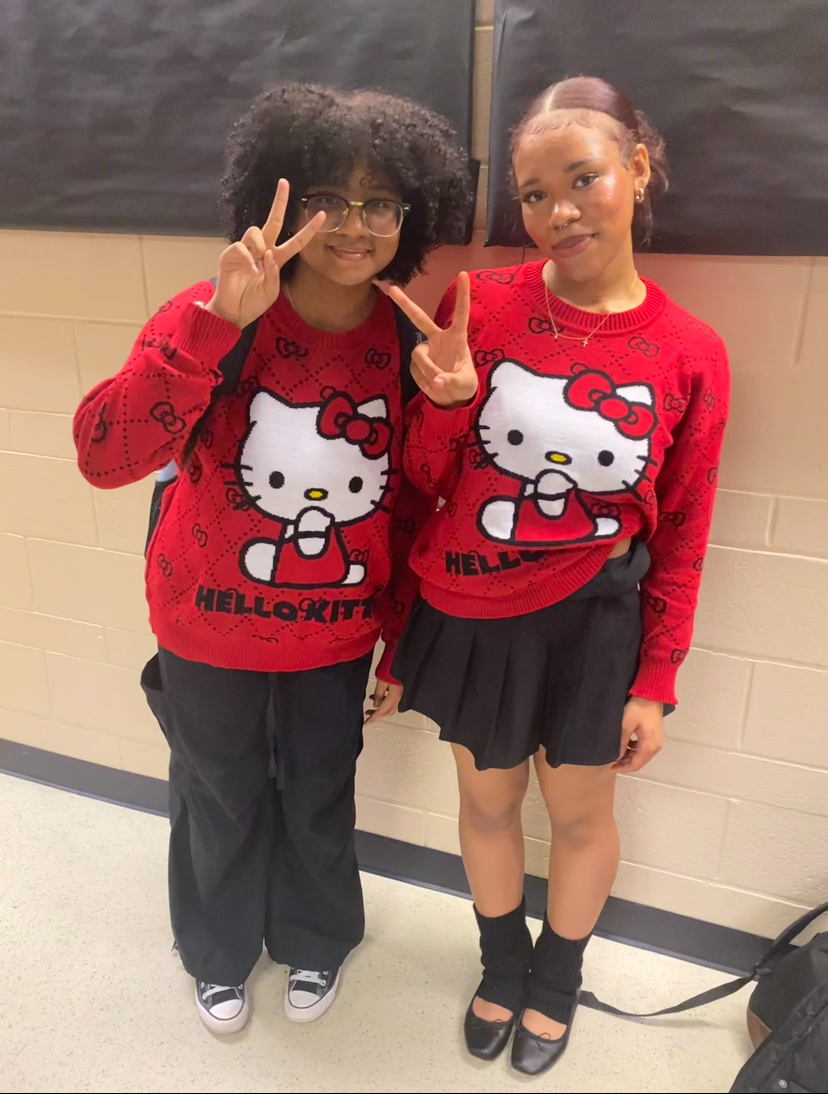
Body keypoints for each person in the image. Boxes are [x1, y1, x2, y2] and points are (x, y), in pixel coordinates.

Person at [73, 83, 471, 1034]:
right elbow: (104, 456)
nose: (354, 224)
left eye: (381, 203)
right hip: (204, 622)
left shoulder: (410, 339)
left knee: (321, 797)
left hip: (333, 635)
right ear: (279, 201)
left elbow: (414, 505)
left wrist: (451, 409)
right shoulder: (213, 312)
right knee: (219, 796)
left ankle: (317, 940)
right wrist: (212, 328)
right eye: (330, 198)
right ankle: (215, 951)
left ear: (408, 218)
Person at [386, 76, 729, 1075]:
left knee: (581, 816)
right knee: (488, 804)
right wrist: (446, 400)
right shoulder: (477, 306)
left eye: (582, 179)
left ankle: (558, 980)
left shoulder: (690, 351)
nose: (557, 212)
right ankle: (502, 962)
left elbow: (688, 530)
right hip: (471, 609)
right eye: (533, 195)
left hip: (595, 627)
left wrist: (658, 678)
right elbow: (420, 476)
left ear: (639, 167)